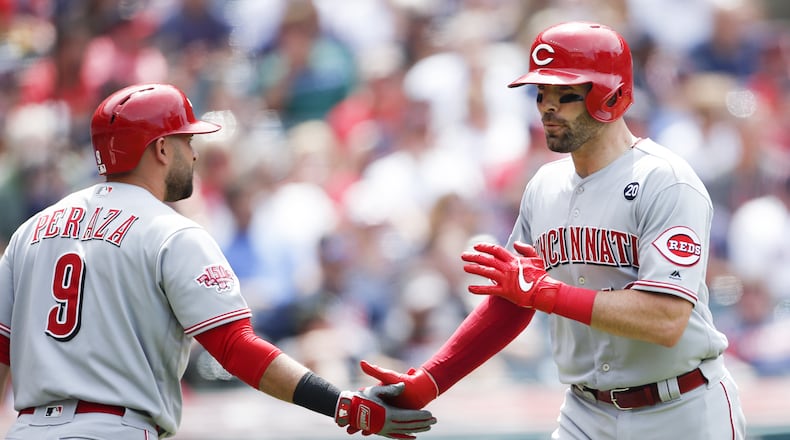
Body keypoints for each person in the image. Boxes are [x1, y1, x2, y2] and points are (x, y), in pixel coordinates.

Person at [358, 21, 747, 439]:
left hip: (680, 410)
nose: (547, 106)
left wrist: (547, 293)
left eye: (566, 94)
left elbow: (666, 318)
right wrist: (431, 380)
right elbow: (513, 301)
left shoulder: (665, 181)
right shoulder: (543, 186)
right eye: (541, 92)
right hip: (584, 412)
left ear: (611, 96)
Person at [0, 83, 436, 439]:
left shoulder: (30, 232)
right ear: (161, 149)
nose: (194, 154)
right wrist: (341, 403)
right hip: (116, 429)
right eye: (187, 140)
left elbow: (2, 353)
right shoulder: (170, 231)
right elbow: (235, 348)